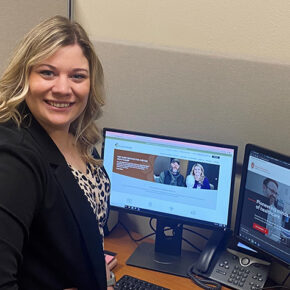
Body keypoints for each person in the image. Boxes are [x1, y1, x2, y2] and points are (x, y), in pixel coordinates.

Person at [0, 16, 114, 289]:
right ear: (24, 76)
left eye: (77, 76)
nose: (63, 89)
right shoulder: (15, 157)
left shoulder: (80, 137)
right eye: (47, 72)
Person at [262, 178, 283, 242]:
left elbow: (277, 233)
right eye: (272, 191)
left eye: (276, 193)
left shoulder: (277, 213)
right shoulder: (254, 204)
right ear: (264, 188)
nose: (274, 195)